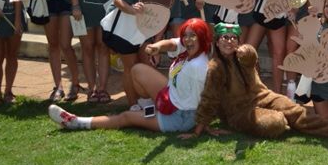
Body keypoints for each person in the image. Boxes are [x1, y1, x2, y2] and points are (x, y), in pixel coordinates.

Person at [187, 23, 328, 141]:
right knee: (275, 123)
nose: (229, 41)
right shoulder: (215, 67)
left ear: (239, 42)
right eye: (225, 37)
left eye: (233, 38)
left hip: (263, 96)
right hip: (239, 111)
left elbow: (250, 57)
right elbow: (209, 98)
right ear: (217, 42)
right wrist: (199, 129)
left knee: (295, 110)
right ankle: (286, 121)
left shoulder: (242, 56)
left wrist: (246, 51)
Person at [49, 19, 211, 134]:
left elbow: (206, 101)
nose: (188, 40)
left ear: (202, 38)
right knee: (138, 70)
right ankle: (149, 109)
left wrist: (197, 131)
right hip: (171, 97)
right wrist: (156, 46)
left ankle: (77, 122)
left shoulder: (198, 67)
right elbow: (172, 43)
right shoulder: (189, 48)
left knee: (126, 117)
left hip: (180, 117)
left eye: (193, 35)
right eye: (186, 35)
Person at [105, 0, 184, 109]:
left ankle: (145, 101)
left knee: (147, 65)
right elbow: (118, 0)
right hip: (126, 29)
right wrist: (132, 9)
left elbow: (165, 17)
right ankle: (133, 105)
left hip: (147, 33)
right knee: (131, 67)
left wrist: (156, 44)